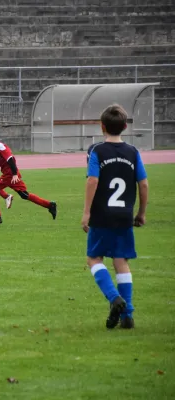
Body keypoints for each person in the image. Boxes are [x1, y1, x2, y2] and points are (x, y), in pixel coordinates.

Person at [81, 104, 148, 329]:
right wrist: (141, 212)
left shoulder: (98, 151)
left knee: (94, 258)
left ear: (102, 126)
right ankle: (127, 314)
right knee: (121, 261)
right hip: (124, 216)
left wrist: (86, 212)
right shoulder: (133, 152)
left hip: (101, 215)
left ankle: (114, 298)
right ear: (125, 126)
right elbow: (144, 183)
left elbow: (92, 180)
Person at [0, 125, 56, 225]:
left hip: (10, 175)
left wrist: (14, 174)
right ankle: (50, 205)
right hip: (9, 175)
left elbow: (10, 159)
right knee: (24, 195)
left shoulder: (0, 147)